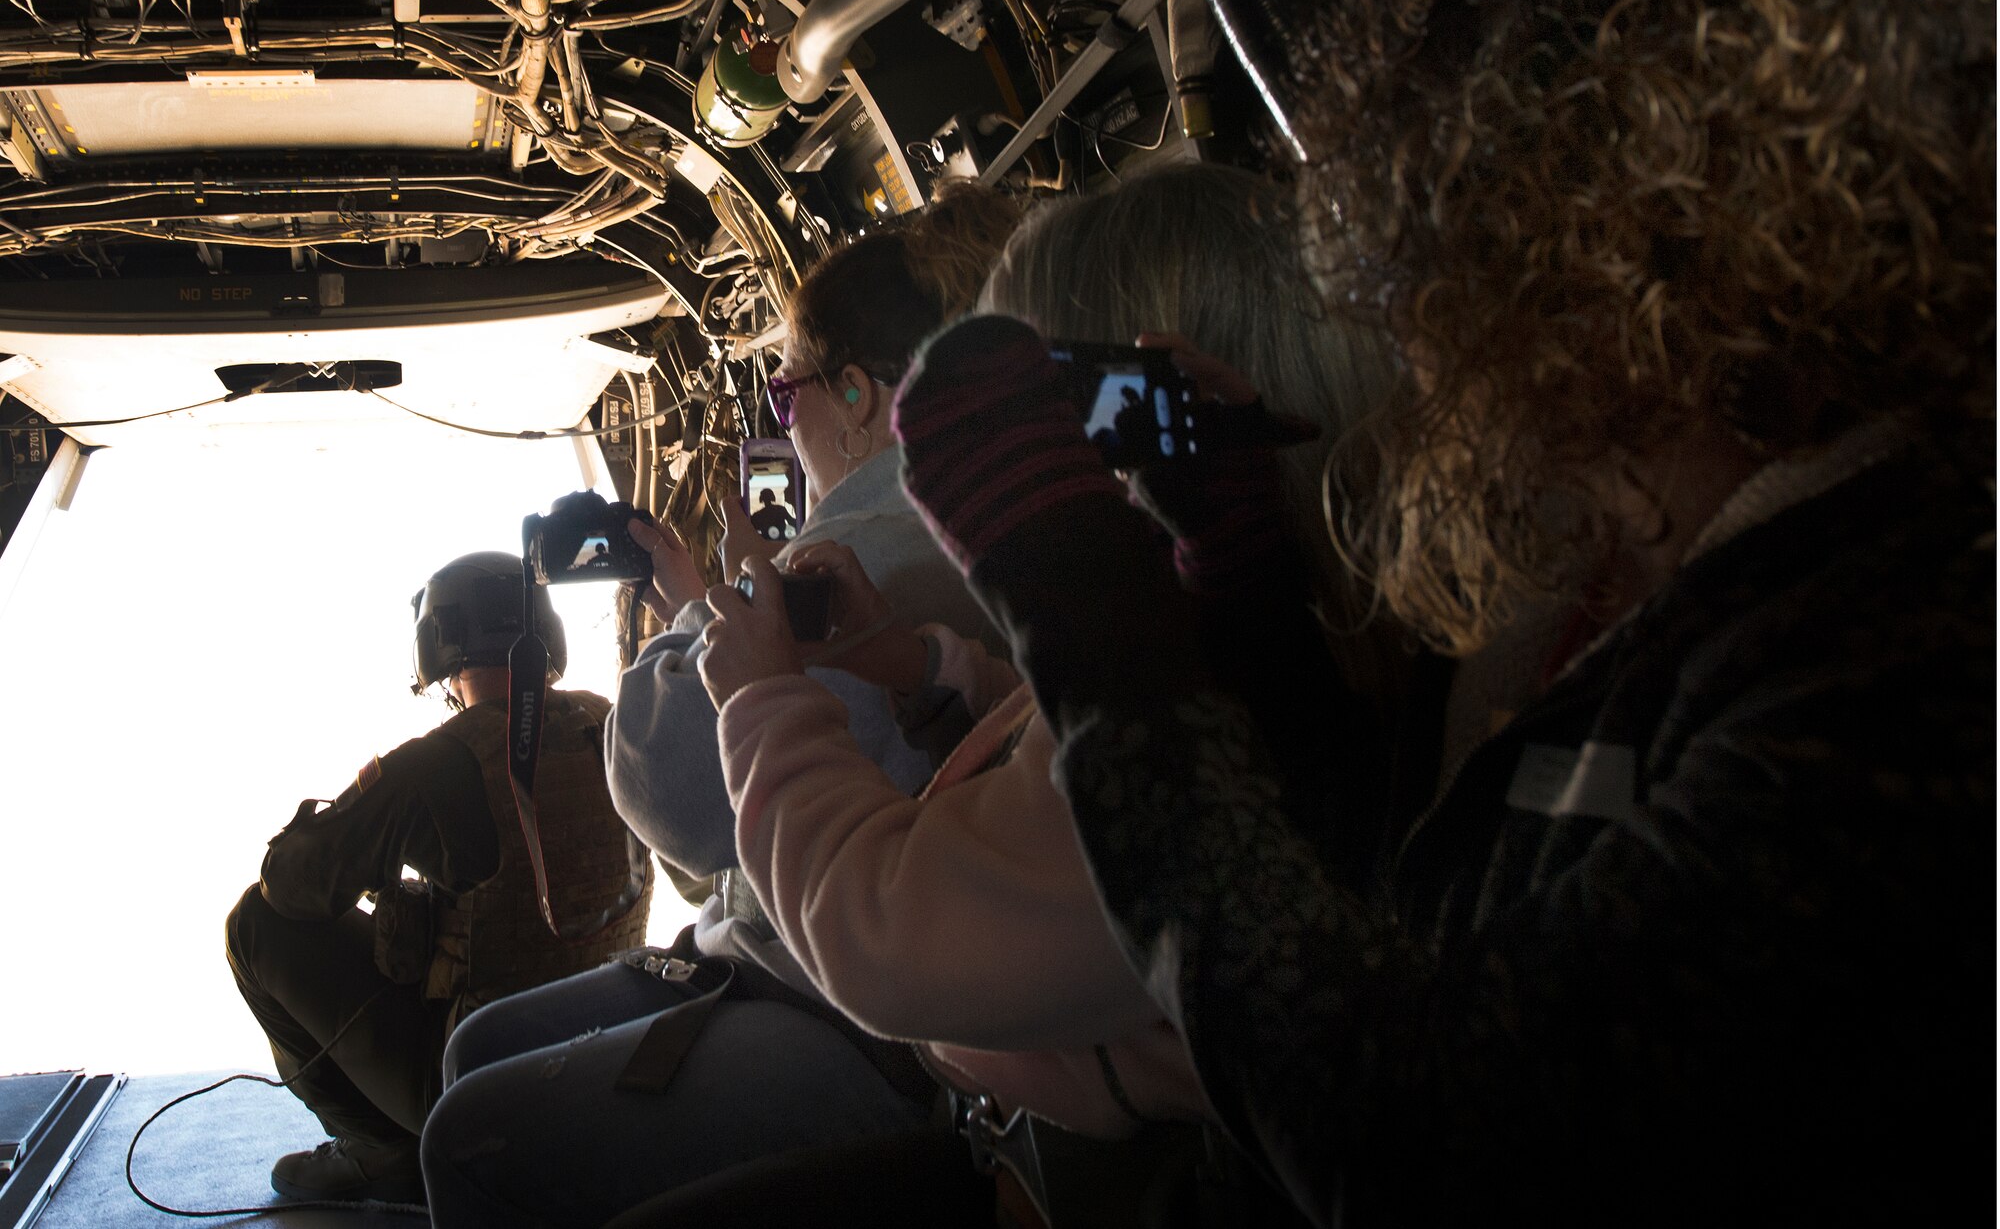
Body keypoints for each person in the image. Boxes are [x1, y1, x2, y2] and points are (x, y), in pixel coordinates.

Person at [884, 0, 1995, 1224]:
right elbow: (1392, 900)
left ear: (1599, 287)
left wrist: (1087, 615)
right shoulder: (1729, 578)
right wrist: (1244, 586)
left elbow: (1423, 1142)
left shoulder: (1903, 694)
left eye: (1450, 299)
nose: (1429, 367)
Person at [697, 166, 1402, 1168]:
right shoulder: (1254, 628)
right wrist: (925, 666)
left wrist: (762, 699)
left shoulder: (1192, 734)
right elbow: (1064, 737)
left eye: (1045, 404)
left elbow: (883, 937)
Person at [418, 184, 1020, 1229]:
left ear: (858, 396)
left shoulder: (853, 557)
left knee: (469, 1136)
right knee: (479, 1049)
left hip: (848, 1013)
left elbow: (671, 801)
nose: (788, 426)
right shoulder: (976, 515)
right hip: (787, 954)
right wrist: (706, 601)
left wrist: (709, 611)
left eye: (788, 398)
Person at [224, 552, 650, 1204]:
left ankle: (381, 1153)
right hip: (608, 1055)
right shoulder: (614, 724)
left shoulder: (442, 762)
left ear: (440, 649)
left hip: (481, 1084)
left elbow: (290, 886)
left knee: (254, 925)